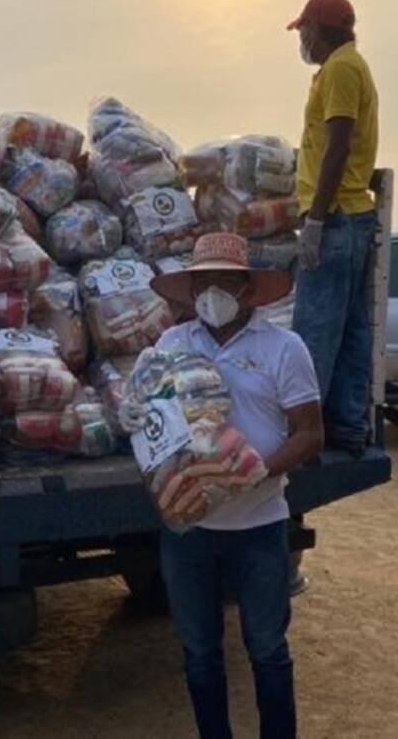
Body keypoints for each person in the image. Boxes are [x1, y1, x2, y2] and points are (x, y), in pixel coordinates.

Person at [134, 232, 324, 739]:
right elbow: (148, 420)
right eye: (202, 283)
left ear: (246, 288)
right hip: (190, 528)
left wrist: (261, 470)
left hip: (260, 525)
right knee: (199, 654)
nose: (210, 292)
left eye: (222, 281)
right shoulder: (172, 345)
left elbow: (309, 432)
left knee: (267, 651)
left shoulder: (284, 347)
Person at [287, 0, 379, 456]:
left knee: (316, 329)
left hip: (338, 215)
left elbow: (337, 144)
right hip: (351, 216)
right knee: (349, 326)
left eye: (303, 29)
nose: (300, 38)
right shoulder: (344, 66)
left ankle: (305, 432)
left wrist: (317, 219)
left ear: (319, 29)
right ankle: (346, 424)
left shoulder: (342, 69)